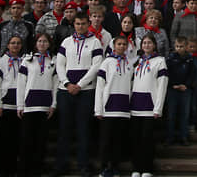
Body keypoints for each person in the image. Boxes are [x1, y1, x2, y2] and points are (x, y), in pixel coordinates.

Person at [54, 12, 104, 177]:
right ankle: (61, 164)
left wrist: (80, 85)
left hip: (86, 91)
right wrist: (67, 83)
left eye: (83, 23)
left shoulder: (95, 42)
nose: (80, 26)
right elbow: (60, 65)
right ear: (73, 24)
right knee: (64, 129)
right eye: (77, 24)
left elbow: (96, 66)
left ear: (88, 23)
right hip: (65, 91)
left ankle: (83, 164)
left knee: (84, 129)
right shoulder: (66, 42)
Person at [17, 33, 58, 177]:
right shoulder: (27, 60)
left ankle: (37, 169)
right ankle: (23, 170)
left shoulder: (53, 61)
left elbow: (55, 85)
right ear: (36, 44)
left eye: (45, 41)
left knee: (41, 141)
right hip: (29, 105)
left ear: (49, 44)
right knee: (26, 140)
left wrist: (53, 104)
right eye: (40, 41)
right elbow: (21, 84)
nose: (42, 44)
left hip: (45, 106)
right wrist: (20, 105)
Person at [95, 35, 134, 177]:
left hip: (123, 109)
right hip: (108, 108)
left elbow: (131, 86)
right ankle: (104, 167)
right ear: (114, 46)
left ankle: (115, 166)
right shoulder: (107, 62)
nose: (122, 46)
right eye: (119, 44)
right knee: (106, 141)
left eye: (124, 44)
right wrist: (98, 108)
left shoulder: (129, 63)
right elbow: (100, 86)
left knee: (118, 141)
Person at [130, 33, 168, 177]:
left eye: (149, 43)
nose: (146, 45)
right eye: (144, 43)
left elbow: (162, 85)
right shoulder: (137, 61)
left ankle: (147, 168)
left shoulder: (159, 61)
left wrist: (158, 107)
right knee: (135, 139)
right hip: (135, 106)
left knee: (147, 139)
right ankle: (136, 168)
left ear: (154, 45)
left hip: (149, 107)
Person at [0, 35, 24, 177]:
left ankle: (11, 168)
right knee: (1, 140)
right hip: (4, 107)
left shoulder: (24, 61)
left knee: (15, 140)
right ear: (8, 45)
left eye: (18, 43)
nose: (15, 45)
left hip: (18, 108)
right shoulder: (2, 62)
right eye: (13, 43)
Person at [164, 36, 195, 146]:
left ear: (186, 47)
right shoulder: (170, 59)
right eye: (177, 46)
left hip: (185, 90)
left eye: (181, 46)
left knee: (185, 114)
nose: (179, 48)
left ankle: (184, 137)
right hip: (172, 89)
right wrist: (173, 85)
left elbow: (192, 74)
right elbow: (167, 73)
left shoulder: (190, 59)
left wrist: (186, 85)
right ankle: (170, 137)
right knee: (171, 114)